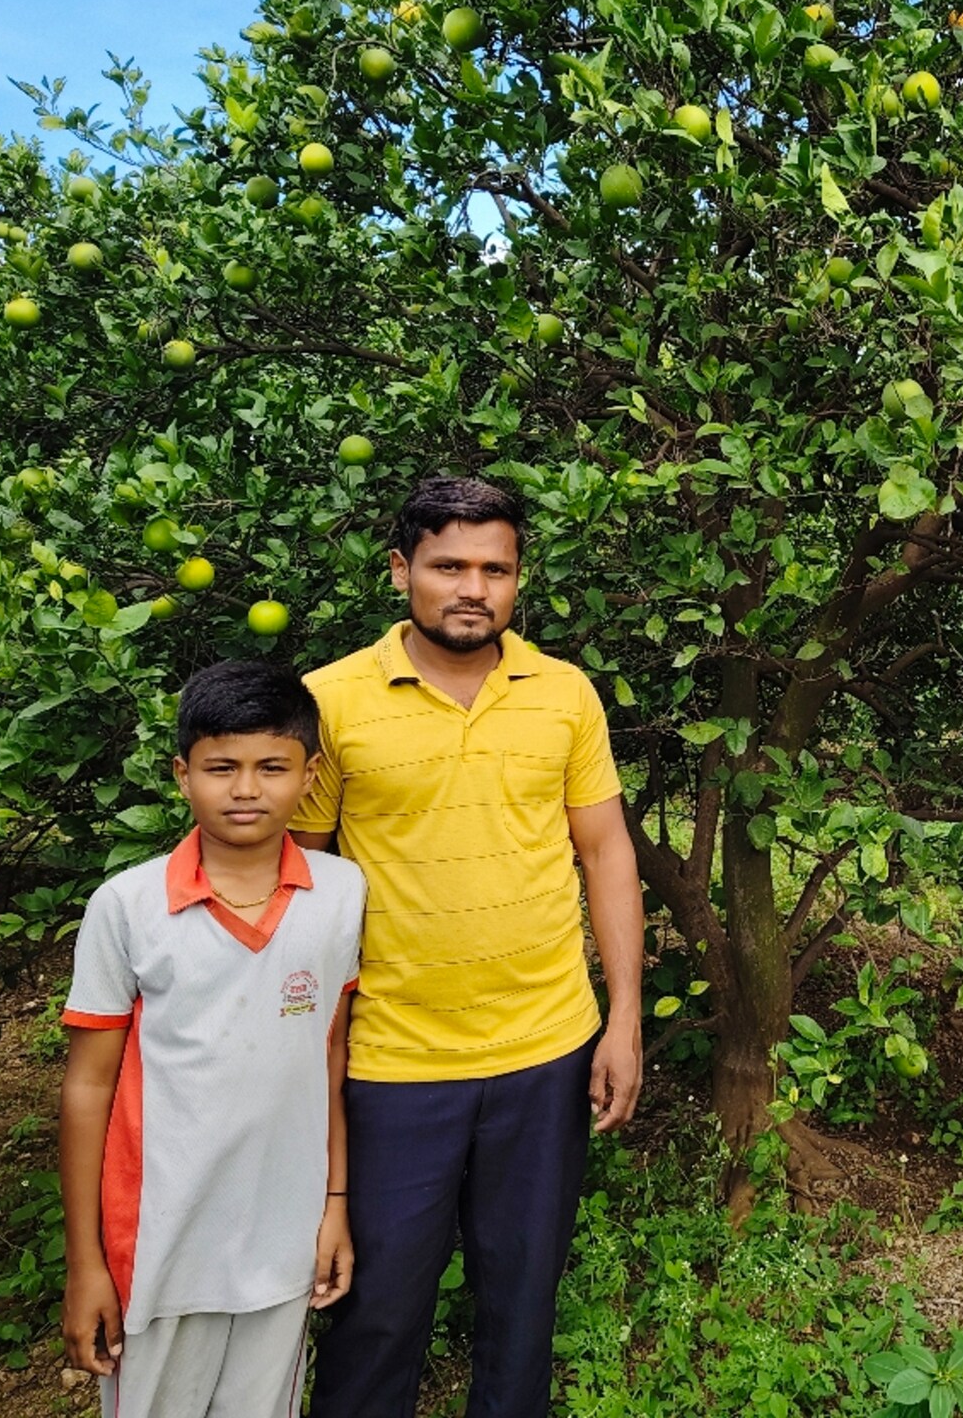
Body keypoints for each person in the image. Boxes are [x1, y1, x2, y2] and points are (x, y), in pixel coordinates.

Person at [292, 475, 646, 1417]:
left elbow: (605, 851)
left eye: (496, 569)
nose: (473, 588)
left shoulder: (564, 693)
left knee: (523, 1304)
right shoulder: (329, 703)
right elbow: (303, 882)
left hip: (546, 1049)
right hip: (392, 1061)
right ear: (401, 569)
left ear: (518, 581)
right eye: (449, 565)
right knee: (376, 1312)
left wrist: (624, 1021)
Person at [59, 659, 364, 1418]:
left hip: (284, 1243)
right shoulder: (125, 907)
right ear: (182, 774)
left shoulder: (340, 894)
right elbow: (88, 1086)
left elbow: (327, 1054)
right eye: (221, 767)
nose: (247, 789)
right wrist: (85, 1263)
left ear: (310, 772)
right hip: (160, 1254)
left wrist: (333, 1204)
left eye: (273, 767)